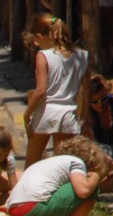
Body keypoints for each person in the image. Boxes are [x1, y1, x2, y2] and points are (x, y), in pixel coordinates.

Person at [7, 136, 110, 216]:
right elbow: (84, 191)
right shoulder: (76, 162)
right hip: (34, 210)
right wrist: (96, 176)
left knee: (64, 211)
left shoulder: (50, 164)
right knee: (92, 189)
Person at [22, 13, 91, 168]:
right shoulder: (81, 56)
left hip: (45, 113)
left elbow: (41, 91)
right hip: (68, 114)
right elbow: (87, 91)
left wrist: (27, 115)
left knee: (31, 164)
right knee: (62, 167)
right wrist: (85, 116)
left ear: (40, 36)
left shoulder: (44, 56)